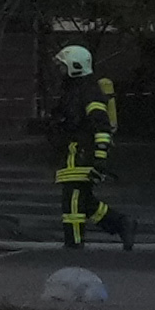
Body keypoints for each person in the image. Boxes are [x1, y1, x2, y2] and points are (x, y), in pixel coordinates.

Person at [40, 39, 122, 255]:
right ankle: (122, 224)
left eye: (63, 66)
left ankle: (74, 243)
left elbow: (101, 125)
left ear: (75, 67)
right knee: (83, 201)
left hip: (84, 154)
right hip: (72, 153)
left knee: (74, 200)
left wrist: (100, 157)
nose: (60, 71)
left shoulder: (89, 93)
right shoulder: (72, 91)